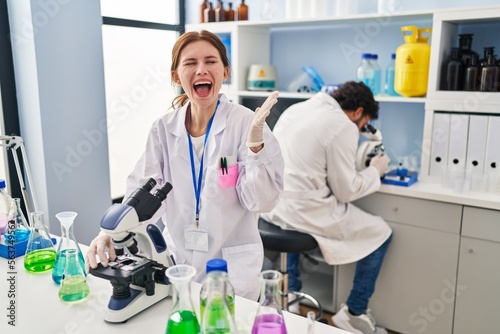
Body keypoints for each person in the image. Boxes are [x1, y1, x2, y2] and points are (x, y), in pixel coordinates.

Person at [85, 30, 284, 301]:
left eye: (211, 61)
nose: (201, 69)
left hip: (231, 267)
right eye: (190, 63)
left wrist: (256, 149)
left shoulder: (247, 124)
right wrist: (109, 232)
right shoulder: (164, 130)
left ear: (225, 72)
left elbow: (261, 202)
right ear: (176, 76)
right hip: (177, 262)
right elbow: (142, 191)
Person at [261, 81, 392, 334]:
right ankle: (354, 312)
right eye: (363, 123)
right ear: (358, 112)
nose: (362, 128)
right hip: (306, 213)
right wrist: (376, 170)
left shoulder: (297, 109)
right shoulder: (343, 125)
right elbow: (347, 190)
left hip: (274, 208)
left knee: (294, 221)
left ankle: (294, 303)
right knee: (382, 232)